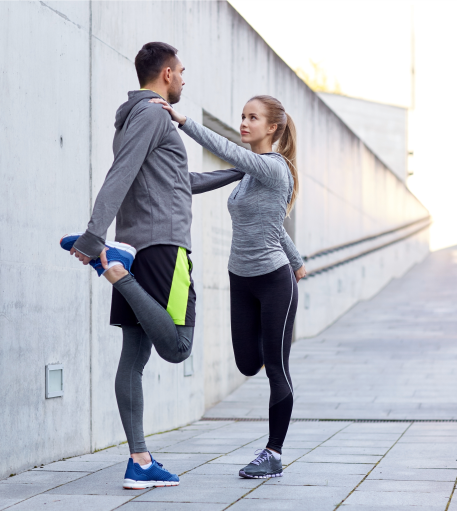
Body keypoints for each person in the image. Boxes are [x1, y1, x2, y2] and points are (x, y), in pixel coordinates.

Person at [68, 42, 242, 489]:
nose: (185, 78)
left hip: (137, 243)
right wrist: (92, 235)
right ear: (166, 74)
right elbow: (120, 173)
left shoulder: (136, 119)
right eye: (182, 71)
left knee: (134, 358)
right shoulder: (153, 114)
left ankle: (139, 462)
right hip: (164, 248)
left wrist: (239, 170)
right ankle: (115, 271)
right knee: (178, 346)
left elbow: (180, 181)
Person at [150, 94, 307, 479]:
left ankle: (273, 452)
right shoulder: (252, 173)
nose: (244, 123)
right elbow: (270, 222)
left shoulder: (272, 167)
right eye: (242, 116)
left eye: (253, 118)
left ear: (272, 128)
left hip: (273, 281)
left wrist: (183, 121)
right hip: (240, 277)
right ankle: (274, 351)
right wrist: (299, 259)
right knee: (247, 362)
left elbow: (225, 150)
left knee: (276, 369)